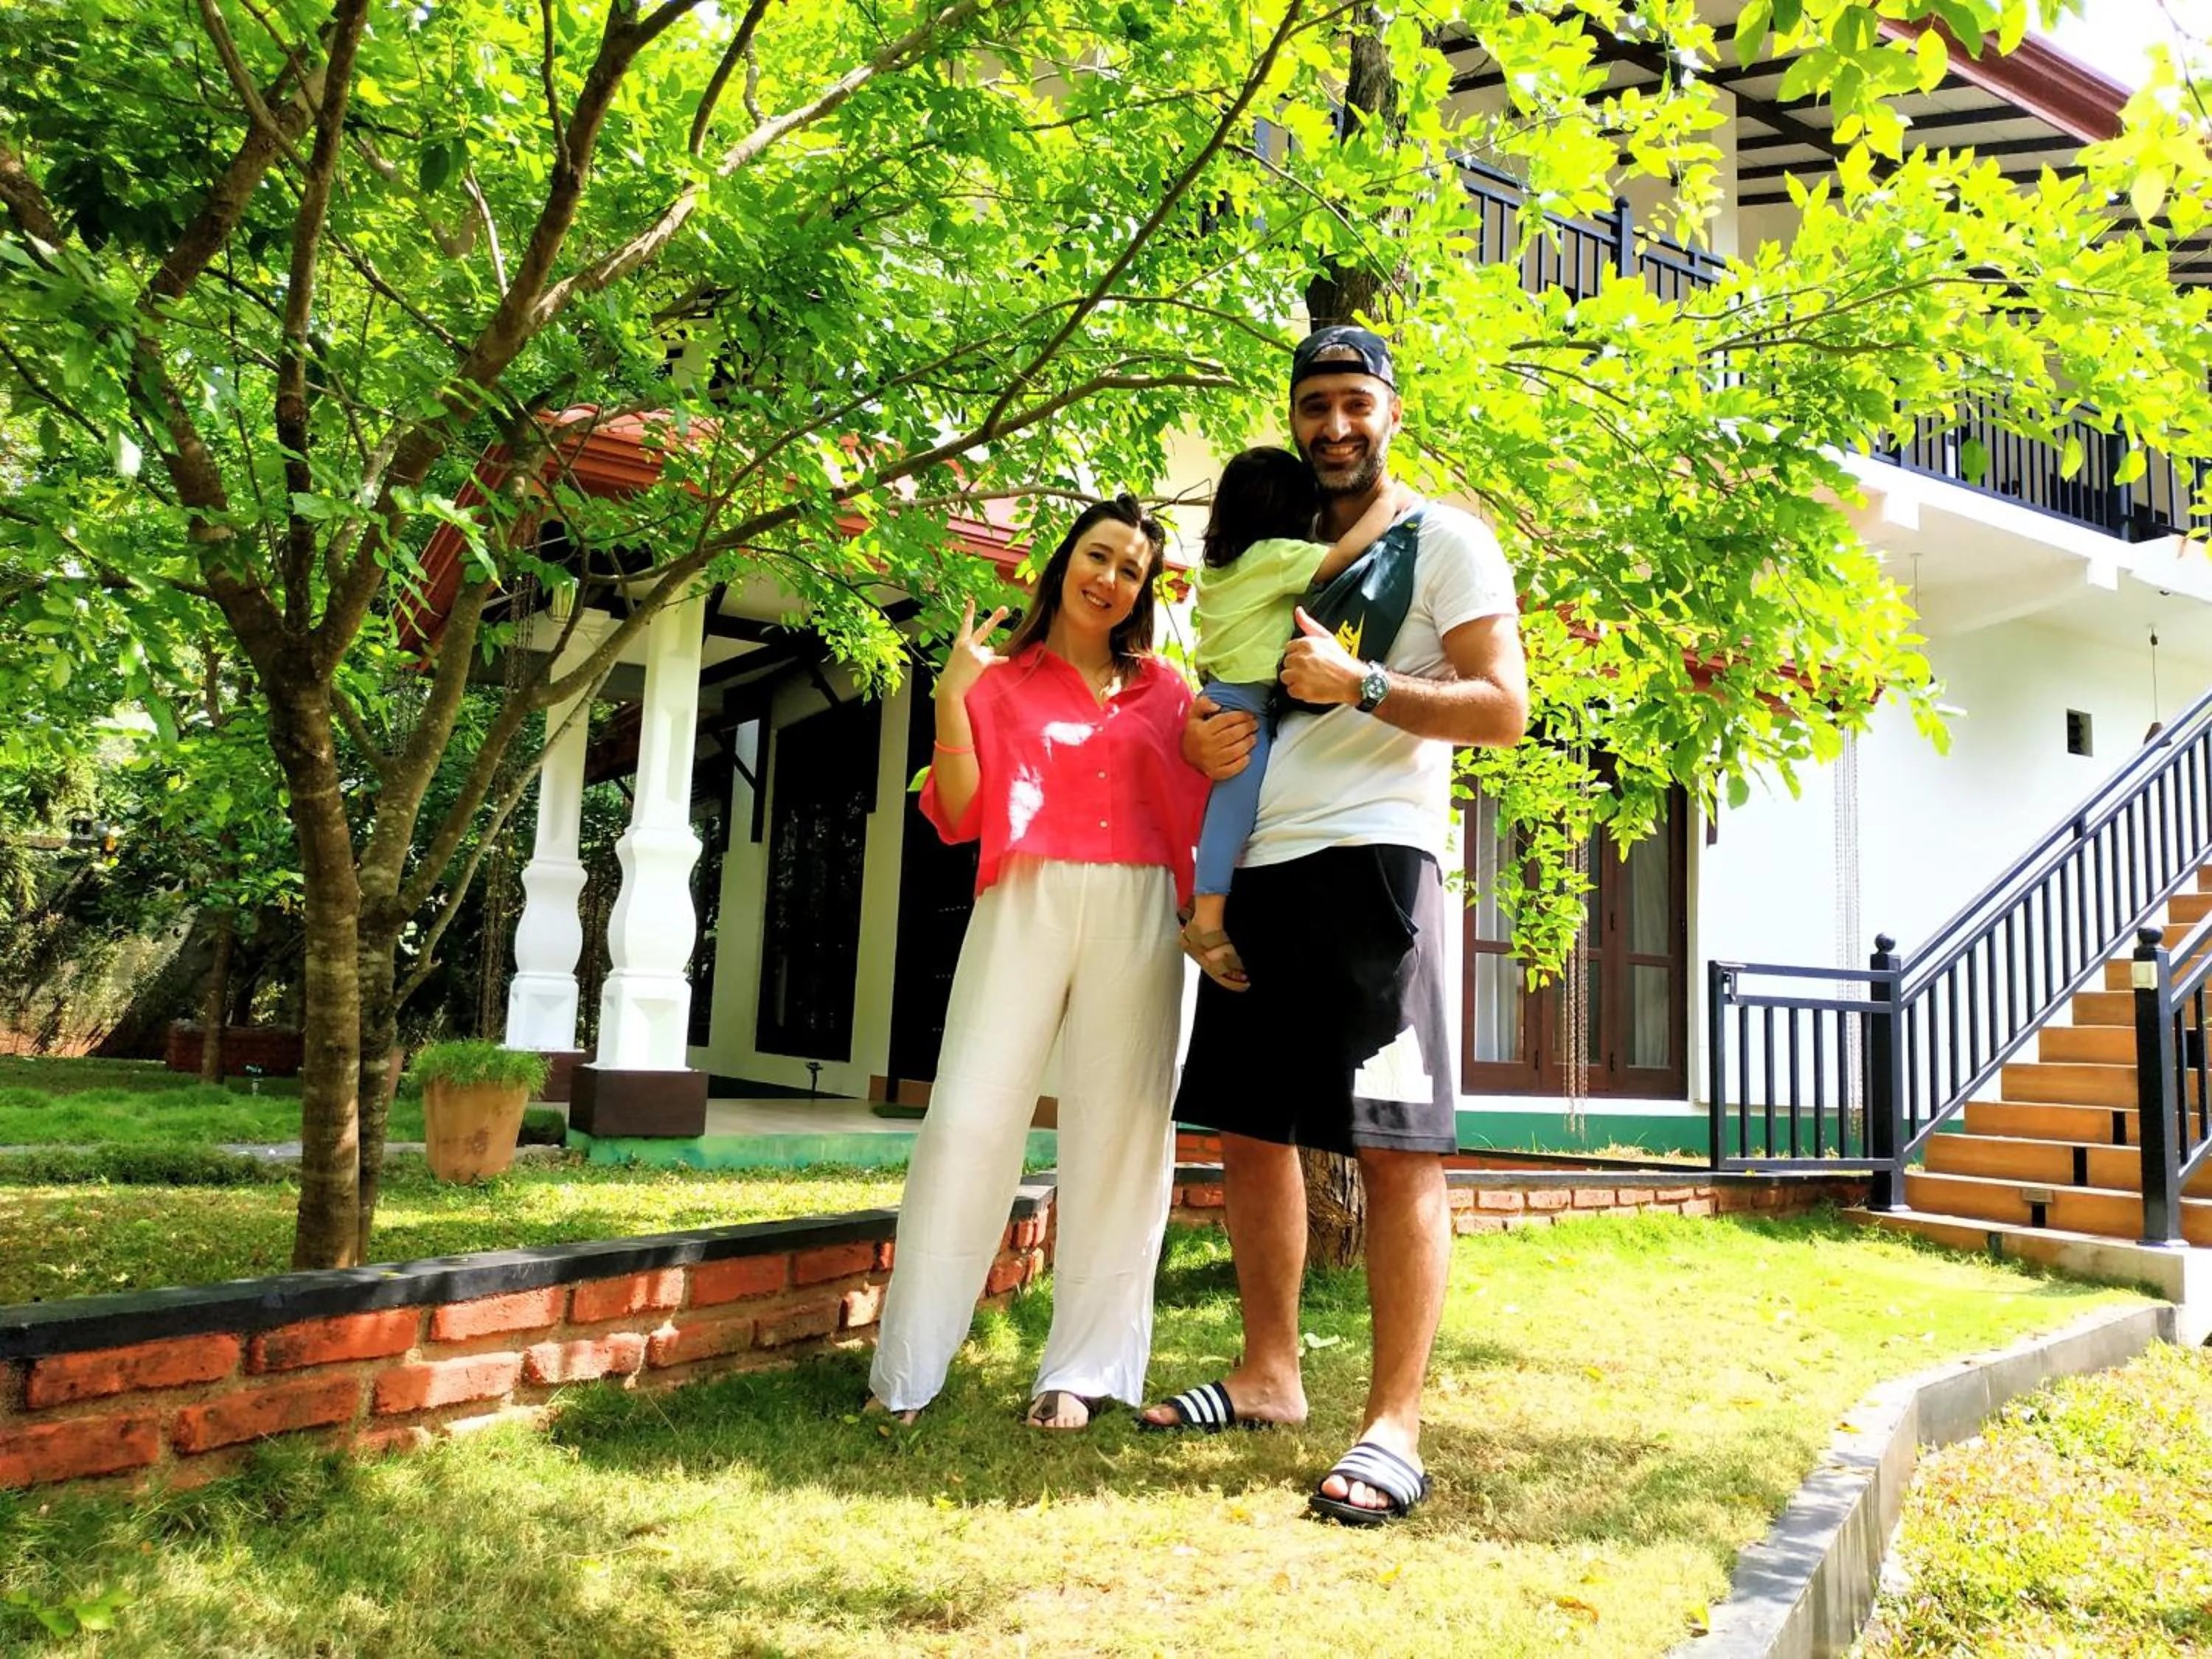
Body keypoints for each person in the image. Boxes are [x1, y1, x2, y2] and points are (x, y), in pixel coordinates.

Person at [1140, 326, 1530, 1528]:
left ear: (1392, 413)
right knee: (1252, 1134)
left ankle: (1394, 1424)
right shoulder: (1279, 553)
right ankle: (1269, 1377)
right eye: (1315, 406)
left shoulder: (1444, 541)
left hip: (1376, 871)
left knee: (1397, 1145)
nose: (1333, 426)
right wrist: (1204, 743)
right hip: (1257, 873)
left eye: (1354, 402)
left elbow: (1504, 708)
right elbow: (1224, 707)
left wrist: (1359, 683)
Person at [867, 494, 1211, 1432]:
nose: (1110, 579)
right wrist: (950, 696)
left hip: (1140, 908)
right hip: (1022, 898)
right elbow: (963, 812)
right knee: (969, 1117)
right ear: (1065, 563)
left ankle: (1085, 1370)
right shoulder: (999, 680)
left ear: (1143, 589)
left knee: (1122, 1137)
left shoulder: (1168, 691)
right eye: (1098, 557)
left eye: (1131, 569)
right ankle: (910, 1365)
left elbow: (1197, 811)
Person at [1182, 447, 1407, 991]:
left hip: (1231, 691)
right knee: (1234, 810)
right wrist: (1391, 500)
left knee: (1236, 808)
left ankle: (1210, 906)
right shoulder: (1272, 557)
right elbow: (1343, 556)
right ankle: (1206, 919)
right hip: (1245, 702)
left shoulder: (1223, 566)